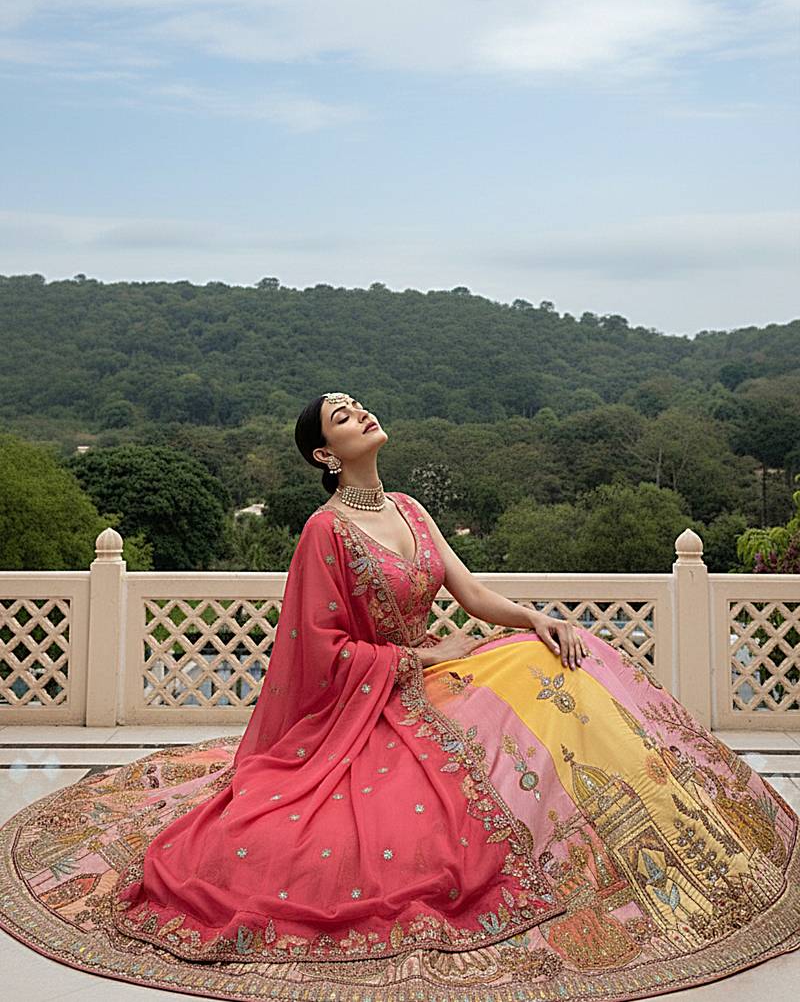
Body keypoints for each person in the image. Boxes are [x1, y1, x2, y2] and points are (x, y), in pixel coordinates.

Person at [1, 391, 798, 1002]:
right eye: (344, 416)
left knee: (555, 662)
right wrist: (414, 656)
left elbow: (472, 592)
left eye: (360, 404)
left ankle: (666, 830)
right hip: (379, 696)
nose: (362, 414)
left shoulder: (411, 510)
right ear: (324, 451)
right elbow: (320, 650)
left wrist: (534, 615)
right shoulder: (326, 531)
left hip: (436, 670)